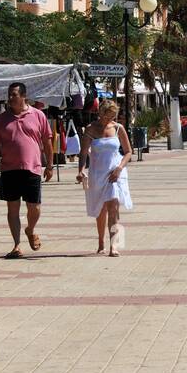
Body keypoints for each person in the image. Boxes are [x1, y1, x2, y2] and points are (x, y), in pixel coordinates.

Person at [0, 82, 55, 260]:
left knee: (35, 207)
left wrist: (49, 165)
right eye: (9, 94)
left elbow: (48, 142)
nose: (10, 98)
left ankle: (30, 229)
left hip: (32, 168)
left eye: (14, 95)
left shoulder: (38, 115)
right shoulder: (2, 119)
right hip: (9, 169)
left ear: (24, 96)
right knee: (12, 209)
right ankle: (16, 245)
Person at [77, 100, 133, 257]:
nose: (109, 120)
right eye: (107, 116)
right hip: (97, 173)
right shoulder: (91, 129)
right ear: (100, 113)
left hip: (115, 173)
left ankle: (114, 245)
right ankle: (101, 242)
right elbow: (83, 153)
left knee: (114, 207)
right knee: (100, 210)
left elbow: (128, 151)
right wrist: (81, 170)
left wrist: (119, 168)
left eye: (112, 116)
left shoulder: (118, 128)